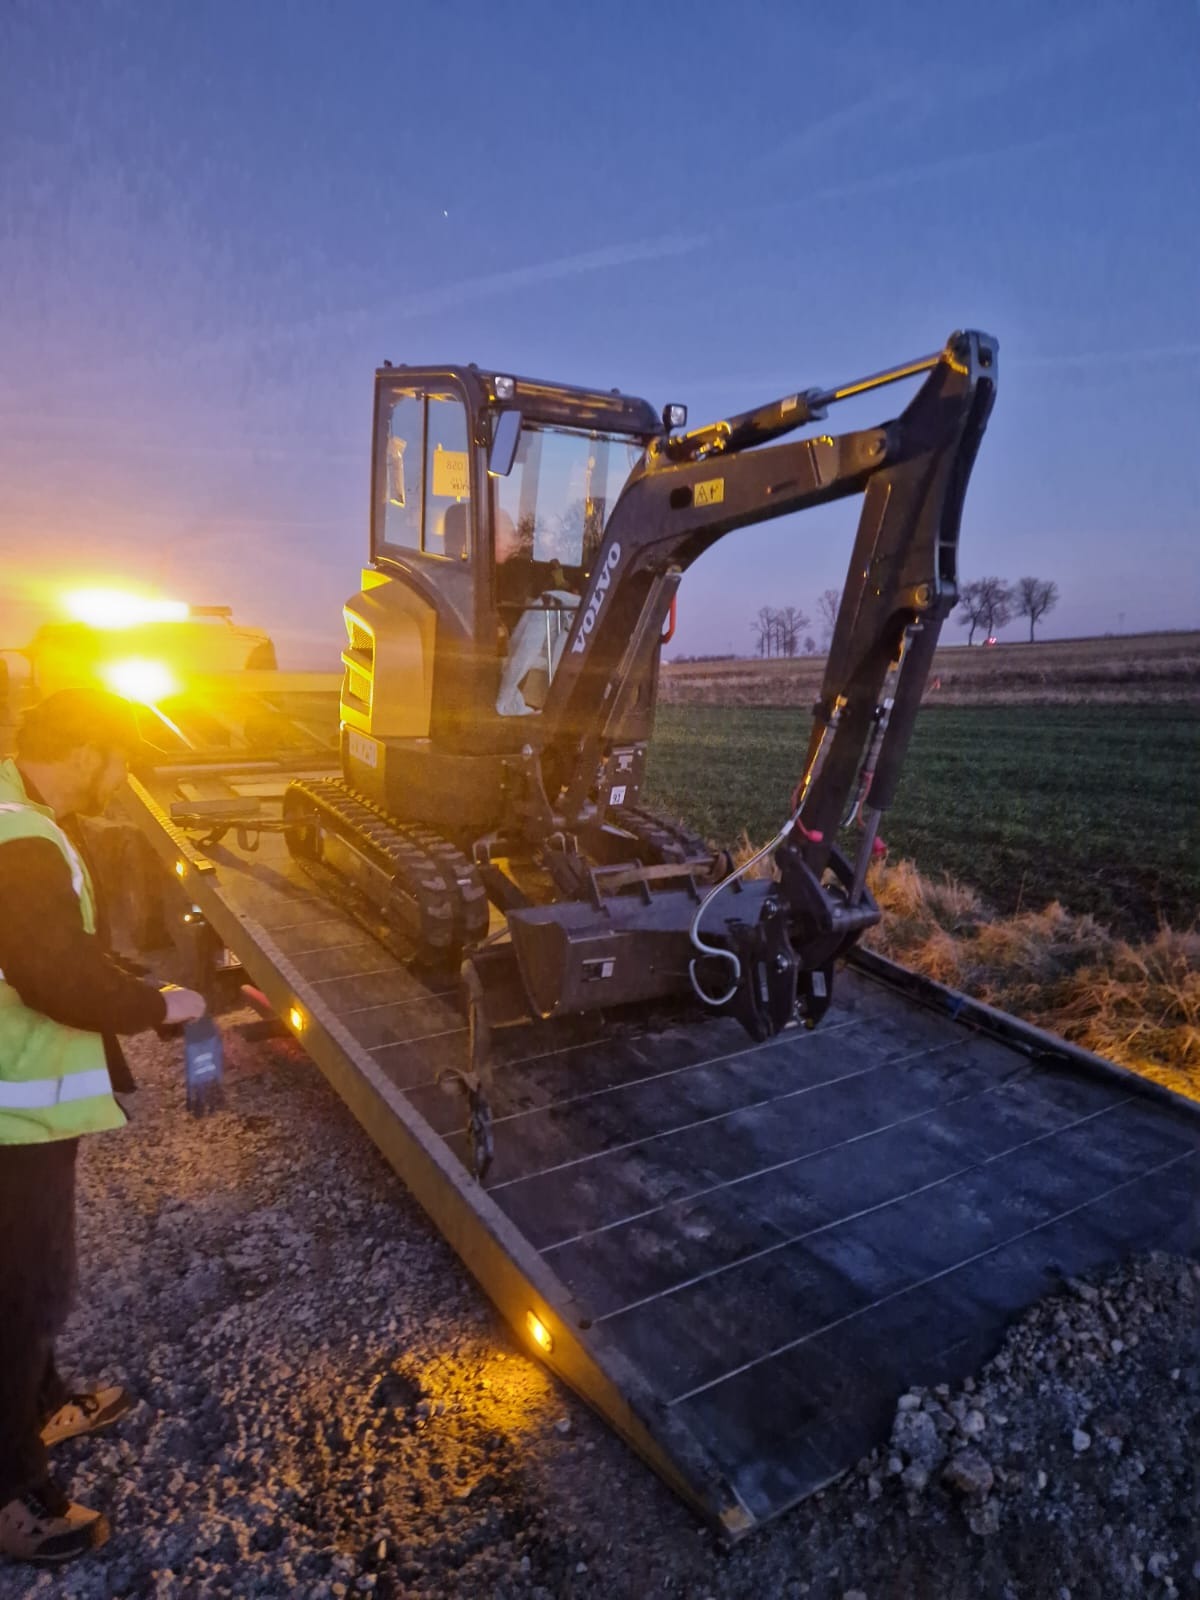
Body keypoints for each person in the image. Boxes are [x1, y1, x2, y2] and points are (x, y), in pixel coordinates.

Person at [0, 688, 206, 1567]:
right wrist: (159, 1006)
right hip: (13, 1108)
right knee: (21, 1296)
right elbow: (52, 976)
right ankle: (14, 1493)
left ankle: (39, 1403)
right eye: (118, 761)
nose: (121, 782)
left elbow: (56, 946)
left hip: (21, 1101)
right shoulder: (22, 835)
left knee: (28, 1286)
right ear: (84, 748)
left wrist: (132, 979)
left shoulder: (21, 814)